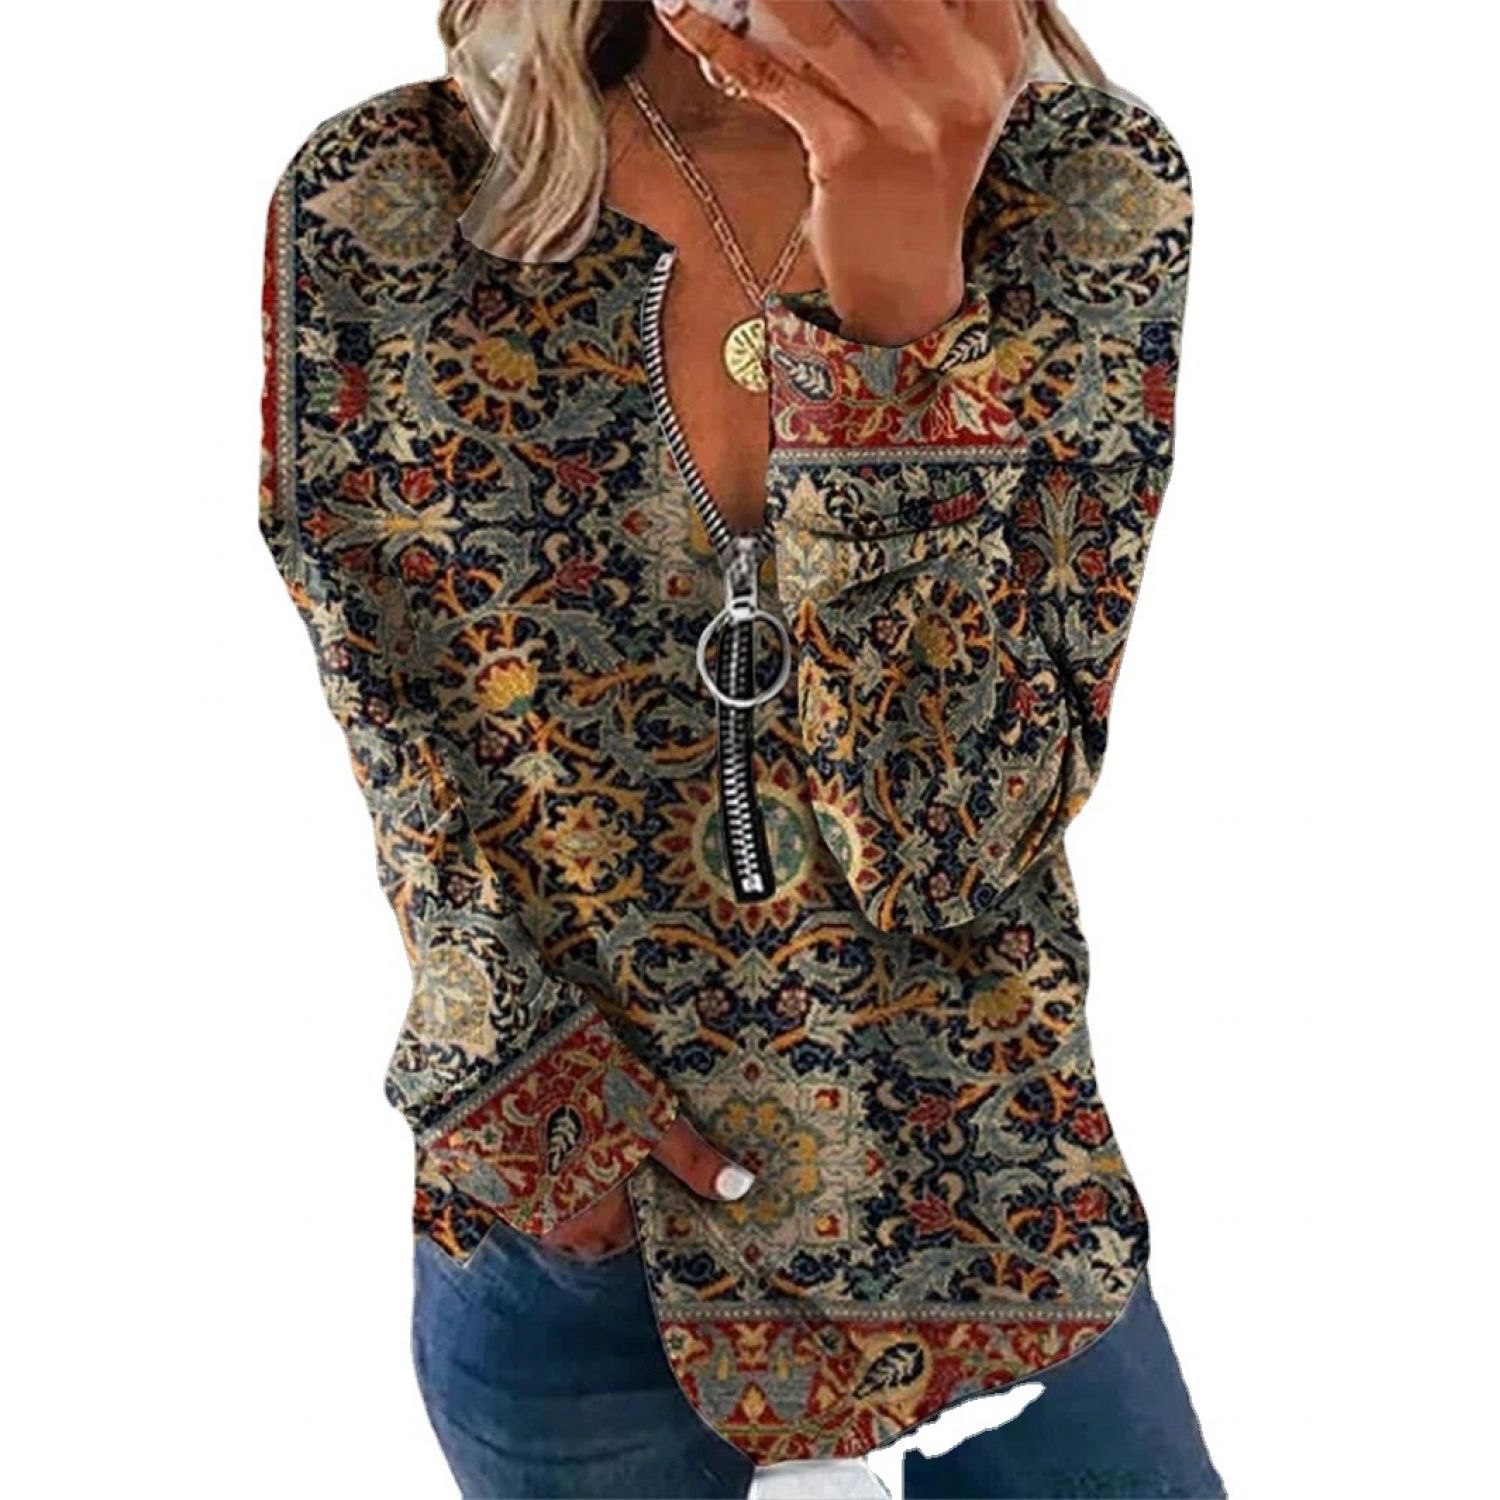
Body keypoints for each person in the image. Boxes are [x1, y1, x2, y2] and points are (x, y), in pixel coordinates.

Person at [257, 1, 1222, 1494]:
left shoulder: (1081, 191)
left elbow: (946, 845)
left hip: (982, 1217)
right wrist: (517, 1090)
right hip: (575, 1235)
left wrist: (897, 313)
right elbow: (389, 709)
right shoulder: (391, 195)